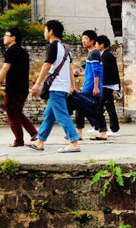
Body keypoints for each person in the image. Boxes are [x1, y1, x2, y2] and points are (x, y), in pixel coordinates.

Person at [29, 20, 80, 152]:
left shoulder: (53, 46)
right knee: (49, 115)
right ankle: (40, 141)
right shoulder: (66, 48)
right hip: (62, 87)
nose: (44, 33)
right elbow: (69, 68)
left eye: (45, 30)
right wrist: (72, 86)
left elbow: (47, 66)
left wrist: (37, 83)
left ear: (51, 31)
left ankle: (74, 142)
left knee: (62, 115)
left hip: (56, 87)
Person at [0, 28, 38, 147]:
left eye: (6, 35)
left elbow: (5, 68)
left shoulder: (11, 51)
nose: (3, 37)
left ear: (13, 37)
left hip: (13, 89)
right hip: (22, 88)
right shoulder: (23, 52)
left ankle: (19, 140)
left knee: (11, 113)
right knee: (17, 112)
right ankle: (33, 133)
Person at [76, 30, 108, 140]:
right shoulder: (92, 53)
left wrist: (95, 86)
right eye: (82, 39)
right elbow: (91, 71)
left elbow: (97, 71)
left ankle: (79, 132)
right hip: (90, 86)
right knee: (94, 109)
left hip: (91, 88)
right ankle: (101, 131)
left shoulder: (94, 53)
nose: (83, 41)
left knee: (81, 106)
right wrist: (80, 73)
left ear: (92, 40)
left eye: (85, 39)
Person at [93, 35, 121, 137]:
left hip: (107, 85)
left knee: (107, 107)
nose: (95, 45)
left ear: (102, 45)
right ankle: (99, 127)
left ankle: (114, 129)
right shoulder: (104, 55)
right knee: (101, 107)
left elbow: (103, 71)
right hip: (106, 85)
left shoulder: (106, 56)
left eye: (96, 44)